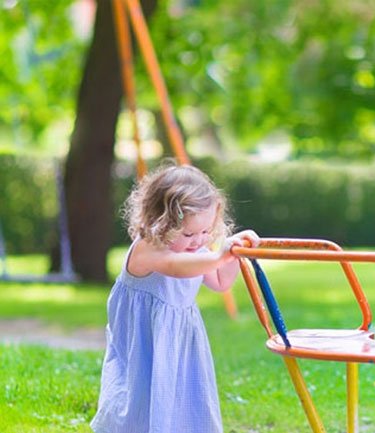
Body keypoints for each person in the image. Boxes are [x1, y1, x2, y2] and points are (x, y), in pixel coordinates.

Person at [90, 164, 260, 433]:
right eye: (188, 234)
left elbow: (220, 281)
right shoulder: (147, 249)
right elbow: (174, 266)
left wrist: (233, 255)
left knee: (183, 395)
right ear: (160, 223)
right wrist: (218, 256)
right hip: (144, 341)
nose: (198, 241)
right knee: (139, 399)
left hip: (178, 340)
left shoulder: (196, 249)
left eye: (205, 231)